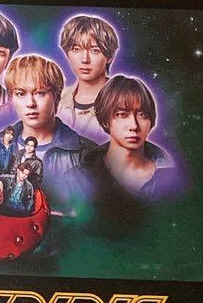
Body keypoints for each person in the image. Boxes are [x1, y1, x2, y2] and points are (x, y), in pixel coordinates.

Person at [73, 75, 179, 208]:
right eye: (122, 114)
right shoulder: (77, 178)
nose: (134, 126)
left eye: (142, 115)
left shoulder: (172, 179)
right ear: (105, 120)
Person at [0, 55, 94, 200]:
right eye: (20, 94)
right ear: (12, 99)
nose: (30, 103)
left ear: (56, 97)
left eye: (40, 93)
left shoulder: (88, 154)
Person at [57, 15, 120, 142]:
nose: (85, 59)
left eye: (95, 50)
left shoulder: (122, 101)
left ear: (109, 57)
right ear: (67, 53)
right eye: (76, 49)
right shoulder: (57, 101)